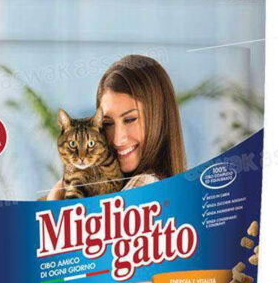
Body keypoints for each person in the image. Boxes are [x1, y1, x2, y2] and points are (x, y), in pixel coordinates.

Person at [46, 54, 186, 199]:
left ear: (159, 118)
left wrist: (53, 200)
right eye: (107, 123)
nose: (118, 140)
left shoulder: (144, 184)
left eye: (130, 119)